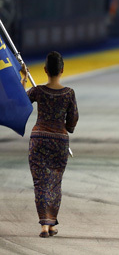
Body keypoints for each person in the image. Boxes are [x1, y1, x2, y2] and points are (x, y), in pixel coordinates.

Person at [23, 52, 79, 238]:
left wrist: (24, 80)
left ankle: (45, 225)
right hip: (59, 141)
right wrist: (66, 127)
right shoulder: (69, 93)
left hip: (38, 139)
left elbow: (21, 103)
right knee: (55, 183)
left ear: (45, 69)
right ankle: (50, 222)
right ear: (62, 70)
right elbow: (72, 123)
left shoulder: (38, 91)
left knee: (40, 183)